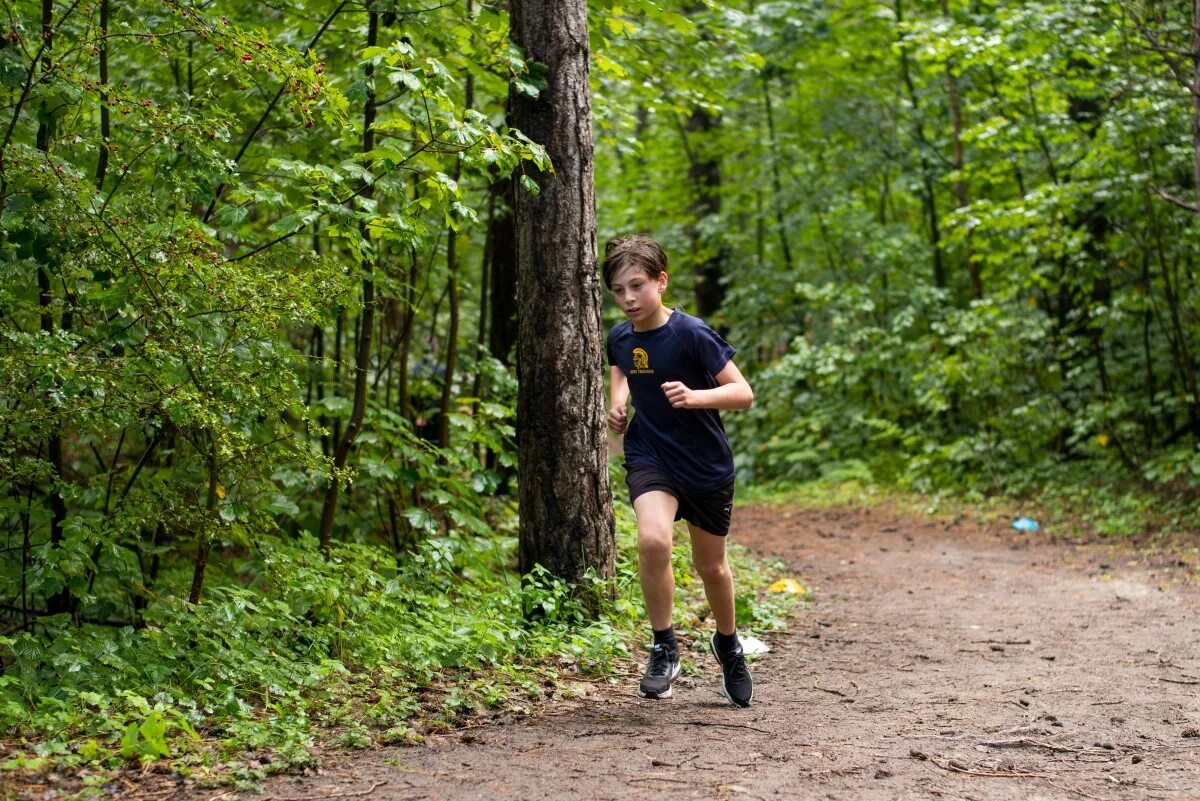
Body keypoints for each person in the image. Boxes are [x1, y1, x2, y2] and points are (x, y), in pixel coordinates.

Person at [603, 234, 756, 708]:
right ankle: (663, 646)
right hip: (650, 454)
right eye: (619, 291)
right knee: (652, 539)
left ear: (661, 282)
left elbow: (743, 393)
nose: (628, 298)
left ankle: (728, 646)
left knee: (711, 567)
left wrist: (697, 396)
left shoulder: (691, 333)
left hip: (705, 464)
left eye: (637, 286)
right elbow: (622, 365)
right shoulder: (620, 336)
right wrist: (618, 401)